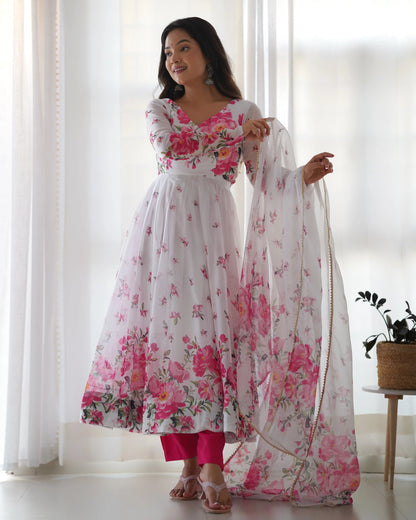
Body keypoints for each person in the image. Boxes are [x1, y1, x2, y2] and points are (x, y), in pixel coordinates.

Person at [81, 16, 359, 513]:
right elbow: (172, 149)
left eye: (184, 47)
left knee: (212, 345)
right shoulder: (160, 110)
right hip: (164, 233)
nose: (174, 58)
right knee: (170, 343)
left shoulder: (243, 112)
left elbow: (263, 179)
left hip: (214, 235)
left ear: (208, 52)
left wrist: (301, 177)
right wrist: (235, 134)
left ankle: (211, 466)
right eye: (168, 52)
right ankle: (188, 464)